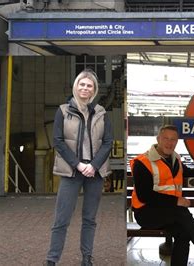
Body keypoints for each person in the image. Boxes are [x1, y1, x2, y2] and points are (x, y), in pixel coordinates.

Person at [130, 125, 194, 266]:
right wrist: (176, 200)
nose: (169, 142)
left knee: (184, 233)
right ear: (158, 139)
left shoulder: (175, 159)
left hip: (168, 213)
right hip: (146, 213)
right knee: (181, 212)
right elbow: (144, 196)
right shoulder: (143, 162)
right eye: (166, 138)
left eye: (173, 140)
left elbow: (190, 172)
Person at [46, 69, 113, 266]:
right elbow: (57, 141)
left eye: (89, 85)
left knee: (90, 219)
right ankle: (51, 260)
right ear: (76, 86)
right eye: (82, 84)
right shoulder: (63, 111)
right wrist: (78, 164)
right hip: (71, 171)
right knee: (61, 219)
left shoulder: (101, 113)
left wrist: (93, 165)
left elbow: (108, 142)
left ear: (94, 90)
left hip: (95, 172)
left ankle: (86, 258)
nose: (85, 88)